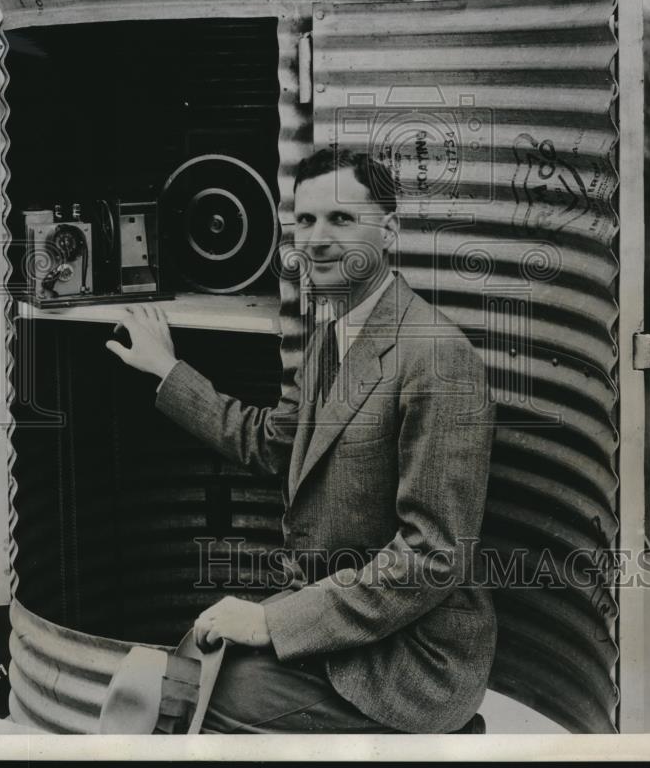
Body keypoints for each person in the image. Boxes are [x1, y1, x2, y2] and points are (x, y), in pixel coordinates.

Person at [105, 146, 496, 733]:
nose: (316, 239)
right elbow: (271, 443)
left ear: (388, 231)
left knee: (198, 698)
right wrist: (168, 371)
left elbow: (432, 556)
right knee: (193, 654)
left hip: (411, 659)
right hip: (340, 622)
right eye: (305, 221)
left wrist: (273, 624)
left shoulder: (438, 357)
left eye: (341, 219)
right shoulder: (332, 336)